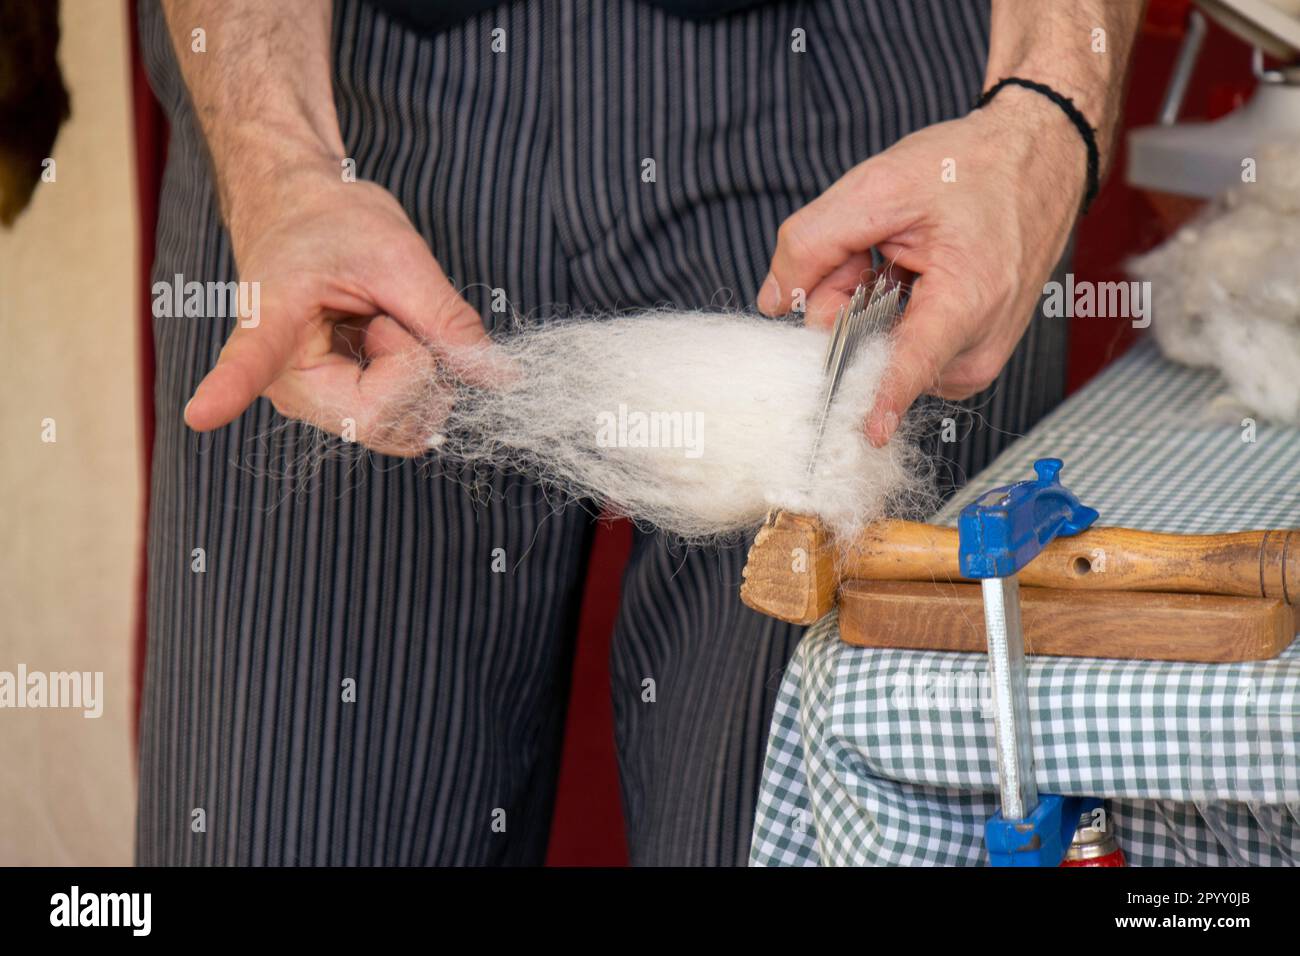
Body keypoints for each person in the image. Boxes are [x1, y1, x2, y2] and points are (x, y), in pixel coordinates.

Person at [137, 0, 1141, 865]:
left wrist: (1043, 115)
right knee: (282, 812)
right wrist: (279, 163)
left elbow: (1043, 108)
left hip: (865, 136)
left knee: (839, 819)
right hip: (346, 116)